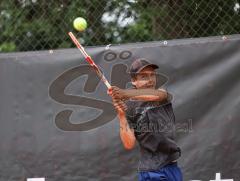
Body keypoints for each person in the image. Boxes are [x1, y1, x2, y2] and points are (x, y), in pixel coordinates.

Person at [107, 58, 183, 181]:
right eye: (143, 76)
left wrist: (124, 93)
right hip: (152, 170)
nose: (150, 80)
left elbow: (157, 95)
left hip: (172, 166)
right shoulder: (129, 108)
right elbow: (129, 143)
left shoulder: (161, 95)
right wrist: (121, 116)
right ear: (134, 81)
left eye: (152, 75)